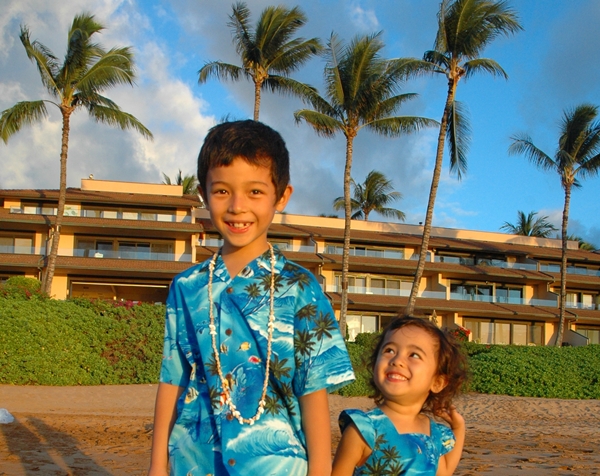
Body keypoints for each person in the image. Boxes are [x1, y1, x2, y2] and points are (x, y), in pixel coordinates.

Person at [148, 120, 355, 476]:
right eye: (222, 191)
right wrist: (156, 466)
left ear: (282, 195)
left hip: (277, 465)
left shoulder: (300, 287)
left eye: (255, 192)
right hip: (195, 463)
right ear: (203, 192)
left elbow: (313, 392)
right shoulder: (186, 287)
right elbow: (172, 380)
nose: (237, 207)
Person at [332, 316, 468, 476]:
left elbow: (444, 471)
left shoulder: (434, 434)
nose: (397, 360)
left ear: (437, 382)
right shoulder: (364, 430)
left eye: (414, 355)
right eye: (389, 350)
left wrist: (459, 428)